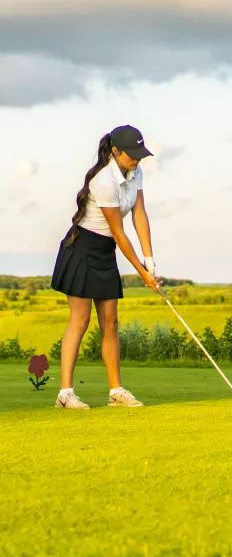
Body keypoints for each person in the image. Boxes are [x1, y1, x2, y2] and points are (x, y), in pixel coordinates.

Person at [50, 124, 164, 409]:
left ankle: (116, 391)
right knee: (81, 320)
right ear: (116, 152)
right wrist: (143, 275)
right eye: (133, 154)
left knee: (111, 323)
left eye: (140, 153)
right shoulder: (104, 181)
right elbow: (119, 232)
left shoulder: (134, 172)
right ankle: (65, 394)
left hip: (104, 252)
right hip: (81, 249)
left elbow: (139, 213)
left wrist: (150, 261)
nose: (138, 159)